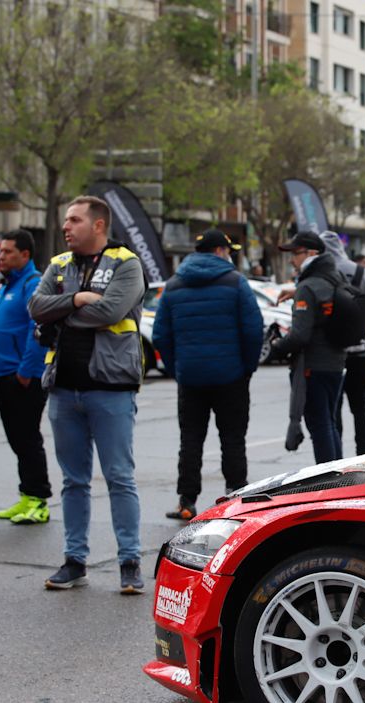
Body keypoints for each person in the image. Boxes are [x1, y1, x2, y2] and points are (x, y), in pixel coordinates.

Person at [29, 196, 146, 594]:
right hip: (63, 389)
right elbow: (36, 306)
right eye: (65, 220)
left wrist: (60, 314)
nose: (66, 227)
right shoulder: (59, 265)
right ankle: (74, 560)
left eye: (75, 220)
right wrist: (75, 299)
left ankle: (129, 561)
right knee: (73, 482)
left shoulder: (126, 263)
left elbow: (110, 312)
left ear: (98, 225)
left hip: (111, 389)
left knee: (119, 477)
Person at [153, 228, 262, 521]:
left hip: (190, 378)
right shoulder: (236, 282)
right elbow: (253, 330)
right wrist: (246, 367)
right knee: (233, 438)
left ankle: (187, 501)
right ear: (219, 251)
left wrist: (178, 367)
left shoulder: (174, 285)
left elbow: (161, 335)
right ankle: (236, 497)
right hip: (231, 377)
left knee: (190, 440)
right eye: (228, 250)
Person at [0, 229, 52, 525]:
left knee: (27, 438)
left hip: (21, 378)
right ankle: (26, 494)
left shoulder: (31, 283)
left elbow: (37, 330)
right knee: (17, 438)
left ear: (25, 255)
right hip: (4, 376)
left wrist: (26, 372)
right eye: (1, 251)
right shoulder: (8, 284)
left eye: (8, 252)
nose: (1, 256)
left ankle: (38, 500)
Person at [269, 231, 347, 463]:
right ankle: (338, 479)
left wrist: (277, 347)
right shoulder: (336, 277)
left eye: (295, 253)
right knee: (330, 423)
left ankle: (328, 483)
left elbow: (300, 336)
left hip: (313, 365)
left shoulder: (308, 286)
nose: (292, 259)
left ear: (311, 254)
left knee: (319, 426)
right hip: (336, 362)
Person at [322, 231, 365, 456]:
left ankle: (337, 457)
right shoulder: (360, 272)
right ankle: (363, 453)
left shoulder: (323, 272)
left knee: (333, 408)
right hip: (361, 348)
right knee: (359, 406)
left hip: (333, 348)